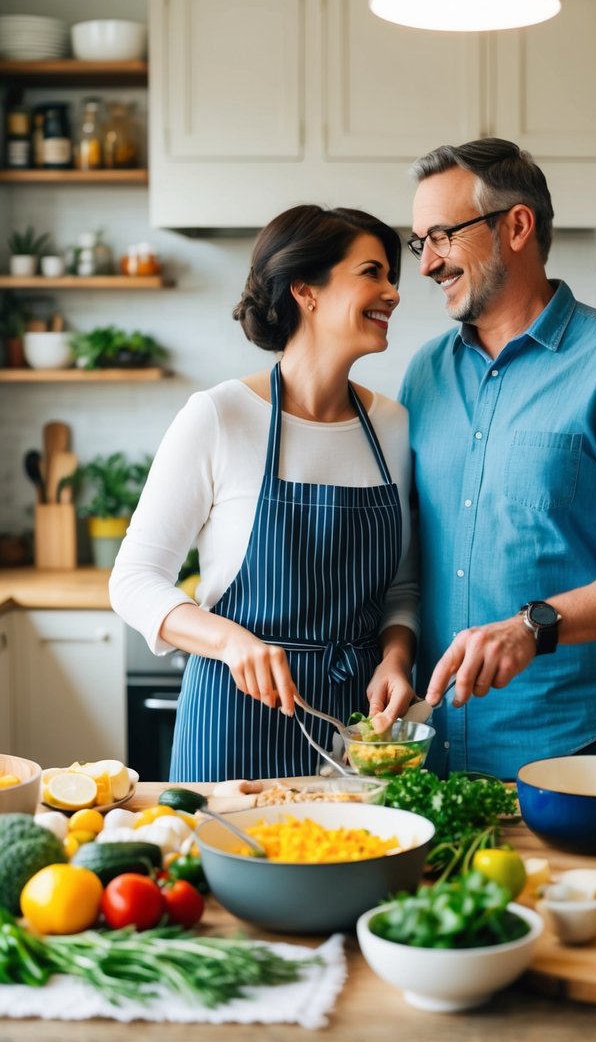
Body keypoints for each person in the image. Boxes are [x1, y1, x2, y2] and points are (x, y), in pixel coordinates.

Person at [398, 138, 596, 780]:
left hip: (575, 755)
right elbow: (406, 550)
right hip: (434, 758)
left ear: (516, 226)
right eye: (418, 242)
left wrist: (534, 626)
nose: (427, 263)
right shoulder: (424, 375)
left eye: (442, 236)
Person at [110, 205, 417, 780]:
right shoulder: (220, 416)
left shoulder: (394, 426)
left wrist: (396, 659)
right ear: (307, 290)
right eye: (372, 272)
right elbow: (133, 581)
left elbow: (401, 586)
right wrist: (230, 643)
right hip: (232, 724)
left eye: (391, 276)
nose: (393, 292)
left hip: (358, 729)